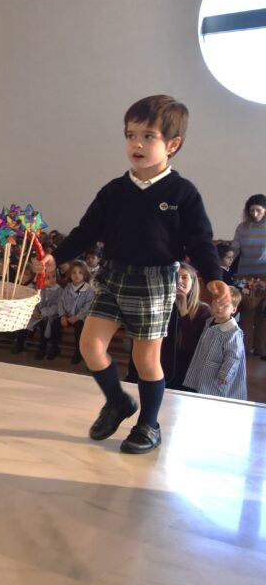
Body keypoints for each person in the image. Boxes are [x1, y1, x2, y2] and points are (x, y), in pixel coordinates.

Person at [36, 95, 227, 454]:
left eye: (148, 136)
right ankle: (119, 401)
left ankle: (148, 425)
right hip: (112, 277)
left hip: (155, 281)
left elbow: (200, 240)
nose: (137, 144)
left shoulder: (182, 193)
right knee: (90, 346)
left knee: (145, 360)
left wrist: (214, 276)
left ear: (172, 144)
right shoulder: (114, 190)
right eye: (130, 134)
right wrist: (55, 257)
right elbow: (85, 231)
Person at [183, 285, 247, 400]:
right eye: (216, 303)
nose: (219, 308)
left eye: (225, 305)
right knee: (202, 391)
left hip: (217, 375)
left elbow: (233, 356)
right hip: (203, 367)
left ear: (234, 309)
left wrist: (225, 374)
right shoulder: (209, 322)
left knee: (215, 396)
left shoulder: (232, 332)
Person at [162, 262, 211, 390]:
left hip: (187, 371)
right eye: (175, 276)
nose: (179, 281)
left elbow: (191, 347)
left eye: (184, 277)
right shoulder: (163, 307)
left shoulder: (203, 310)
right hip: (163, 368)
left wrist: (184, 311)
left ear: (193, 282)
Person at [231, 194, 266, 358]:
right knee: (248, 311)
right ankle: (245, 348)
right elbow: (235, 248)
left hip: (264, 275)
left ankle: (260, 348)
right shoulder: (242, 227)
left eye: (258, 210)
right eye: (251, 210)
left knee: (262, 312)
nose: (255, 214)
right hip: (246, 276)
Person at [47, 261, 94, 363]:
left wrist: (77, 317)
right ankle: (55, 347)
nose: (77, 275)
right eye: (74, 272)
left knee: (79, 327)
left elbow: (88, 306)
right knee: (55, 323)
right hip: (67, 316)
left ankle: (78, 351)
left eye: (80, 272)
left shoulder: (89, 290)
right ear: (70, 275)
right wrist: (63, 315)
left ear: (84, 275)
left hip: (79, 318)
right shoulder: (68, 288)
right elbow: (61, 302)